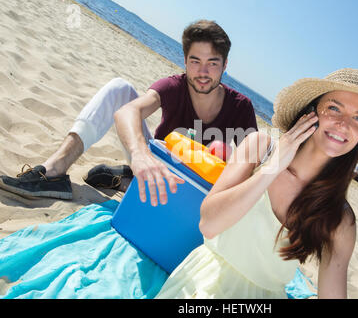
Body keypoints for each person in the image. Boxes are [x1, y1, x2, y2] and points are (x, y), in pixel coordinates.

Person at [155, 68, 358, 299]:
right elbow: (209, 224)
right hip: (203, 282)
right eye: (334, 108)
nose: (344, 124)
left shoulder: (340, 218)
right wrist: (272, 168)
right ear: (311, 112)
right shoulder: (260, 146)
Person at [0, 20, 258, 206]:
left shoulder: (241, 107)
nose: (203, 72)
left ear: (225, 65)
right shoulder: (174, 86)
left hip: (201, 195)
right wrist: (140, 155)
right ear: (185, 61)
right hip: (154, 166)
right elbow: (127, 111)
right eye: (195, 61)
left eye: (212, 63)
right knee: (119, 88)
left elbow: (255, 166)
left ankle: (125, 181)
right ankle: (54, 173)